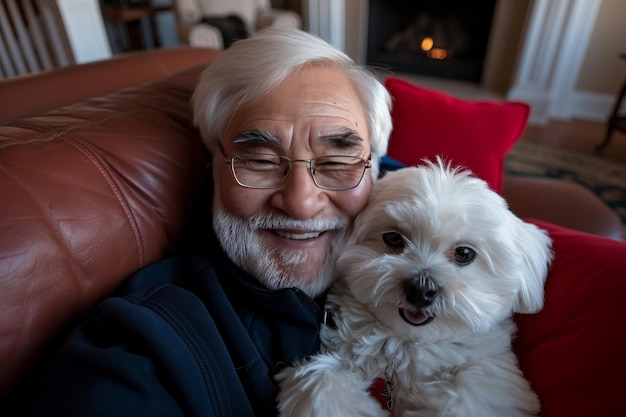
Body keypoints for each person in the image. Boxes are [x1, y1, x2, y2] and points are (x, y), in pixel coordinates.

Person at [27, 28, 393, 416]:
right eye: (262, 161)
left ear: (377, 171)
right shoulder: (145, 345)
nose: (301, 204)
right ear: (214, 165)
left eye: (336, 163)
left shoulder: (436, 245)